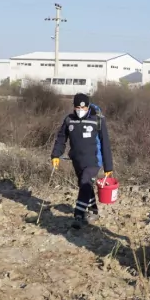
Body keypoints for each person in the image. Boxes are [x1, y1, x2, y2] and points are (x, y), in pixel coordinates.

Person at [51, 93, 113, 228]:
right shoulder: (69, 120)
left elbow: (105, 144)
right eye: (78, 107)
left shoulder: (98, 120)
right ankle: (94, 211)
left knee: (85, 181)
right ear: (74, 107)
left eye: (84, 108)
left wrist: (108, 167)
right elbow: (61, 139)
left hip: (94, 161)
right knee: (84, 185)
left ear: (88, 107)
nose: (81, 110)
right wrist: (55, 155)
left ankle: (78, 215)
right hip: (77, 161)